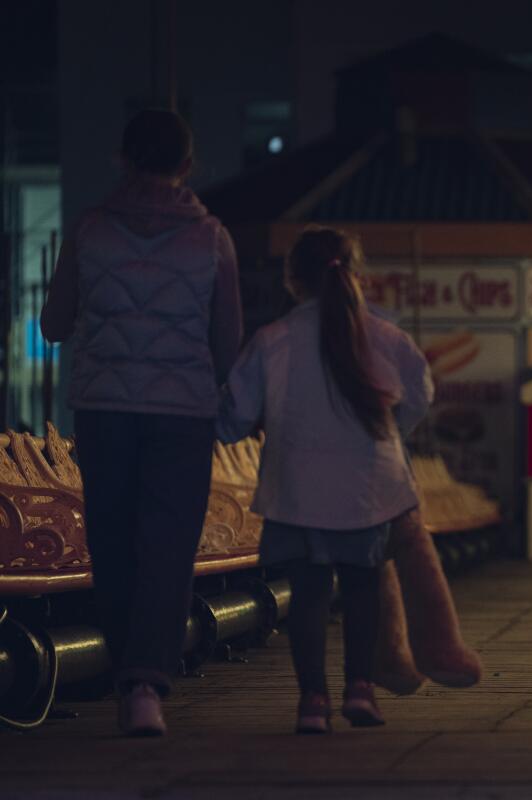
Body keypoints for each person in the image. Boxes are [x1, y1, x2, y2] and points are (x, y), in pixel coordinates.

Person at [40, 108, 243, 736]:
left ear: (122, 159)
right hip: (182, 414)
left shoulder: (90, 230)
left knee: (114, 542)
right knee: (167, 547)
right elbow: (228, 343)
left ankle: (125, 666)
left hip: (104, 410)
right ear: (187, 164)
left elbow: (52, 324)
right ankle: (145, 685)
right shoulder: (212, 238)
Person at [217, 226, 432, 734]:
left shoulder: (273, 340)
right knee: (362, 585)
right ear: (356, 275)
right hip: (369, 486)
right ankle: (361, 691)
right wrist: (388, 435)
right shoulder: (387, 337)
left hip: (297, 488)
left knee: (310, 591)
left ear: (294, 281)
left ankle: (313, 701)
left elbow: (236, 413)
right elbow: (421, 393)